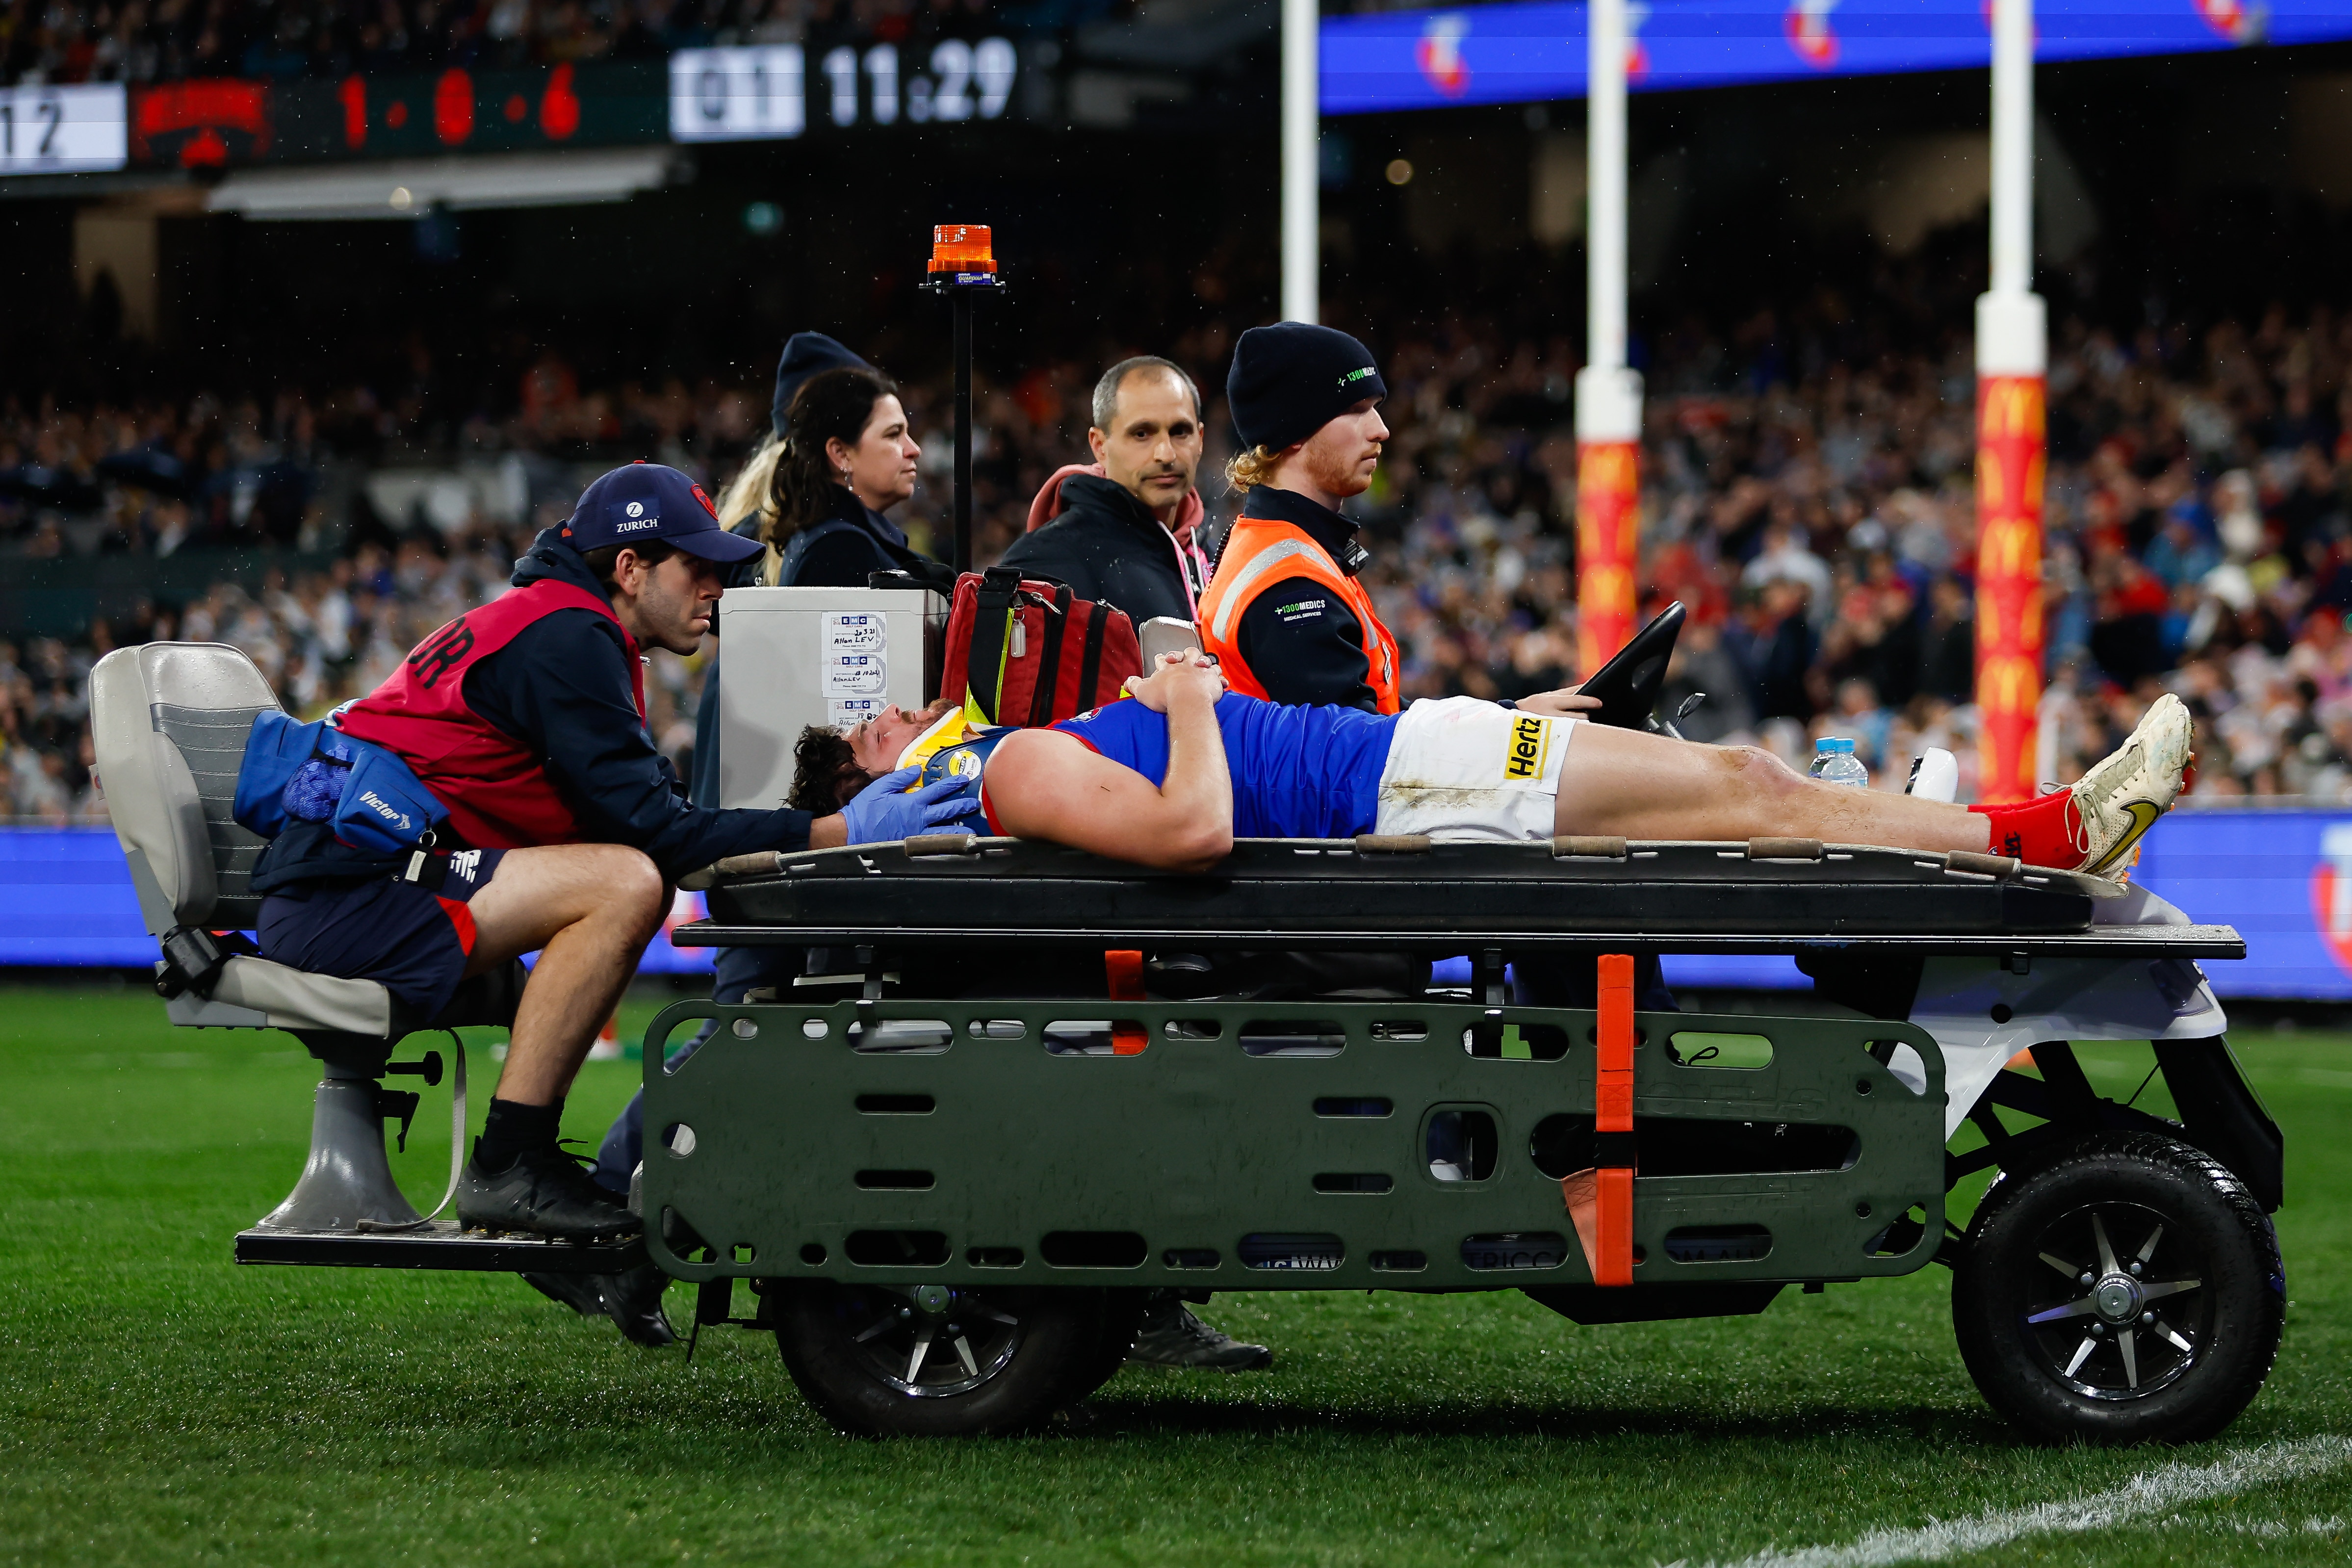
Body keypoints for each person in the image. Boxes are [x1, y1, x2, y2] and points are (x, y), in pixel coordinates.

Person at [250, 462, 967, 1342]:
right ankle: (510, 1165)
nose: (718, 587)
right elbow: (655, 838)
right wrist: (837, 829)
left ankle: (532, 1170)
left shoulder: (563, 623)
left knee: (623, 869)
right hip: (347, 891)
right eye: (696, 569)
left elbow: (637, 817)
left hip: (360, 873)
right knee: (627, 880)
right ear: (629, 568)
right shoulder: (570, 634)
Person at [802, 654, 2194, 884]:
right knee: (1754, 790)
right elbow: (1187, 838)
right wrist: (1180, 702)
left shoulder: (1014, 755)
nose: (905, 704)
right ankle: (2040, 834)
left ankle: (2009, 826)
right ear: (876, 754)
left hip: (1410, 762)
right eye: (880, 715)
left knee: (1751, 777)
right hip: (1405, 783)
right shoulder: (1011, 762)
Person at [1196, 323, 1403, 714]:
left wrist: (1499, 715)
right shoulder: (1291, 585)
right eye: (1356, 410)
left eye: (1375, 408)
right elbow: (1360, 756)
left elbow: (1379, 709)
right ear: (1291, 430)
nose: (1381, 430)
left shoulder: (1286, 547)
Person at [998, 356, 1213, 626]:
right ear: (1100, 446)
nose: (1166, 454)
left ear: (1200, 440)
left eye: (1180, 432)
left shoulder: (1210, 556)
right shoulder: (1052, 557)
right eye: (1142, 434)